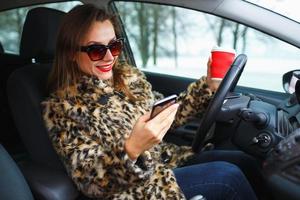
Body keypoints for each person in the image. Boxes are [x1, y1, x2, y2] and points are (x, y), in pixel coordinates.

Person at [42, 4, 257, 200]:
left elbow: (166, 115)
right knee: (229, 177)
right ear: (71, 52)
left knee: (244, 160)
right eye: (96, 50)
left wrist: (208, 87)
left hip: (167, 162)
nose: (109, 58)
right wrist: (131, 150)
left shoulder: (128, 78)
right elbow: (89, 181)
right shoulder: (62, 108)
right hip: (136, 190)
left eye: (114, 46)